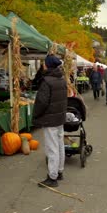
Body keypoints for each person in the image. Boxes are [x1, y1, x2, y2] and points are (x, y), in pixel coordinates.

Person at [34, 55, 68, 188]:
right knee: (59, 145)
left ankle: (52, 177)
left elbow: (41, 102)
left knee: (52, 148)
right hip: (59, 118)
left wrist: (36, 115)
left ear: (47, 65)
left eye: (44, 63)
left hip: (50, 119)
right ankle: (59, 171)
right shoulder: (62, 80)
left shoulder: (47, 81)